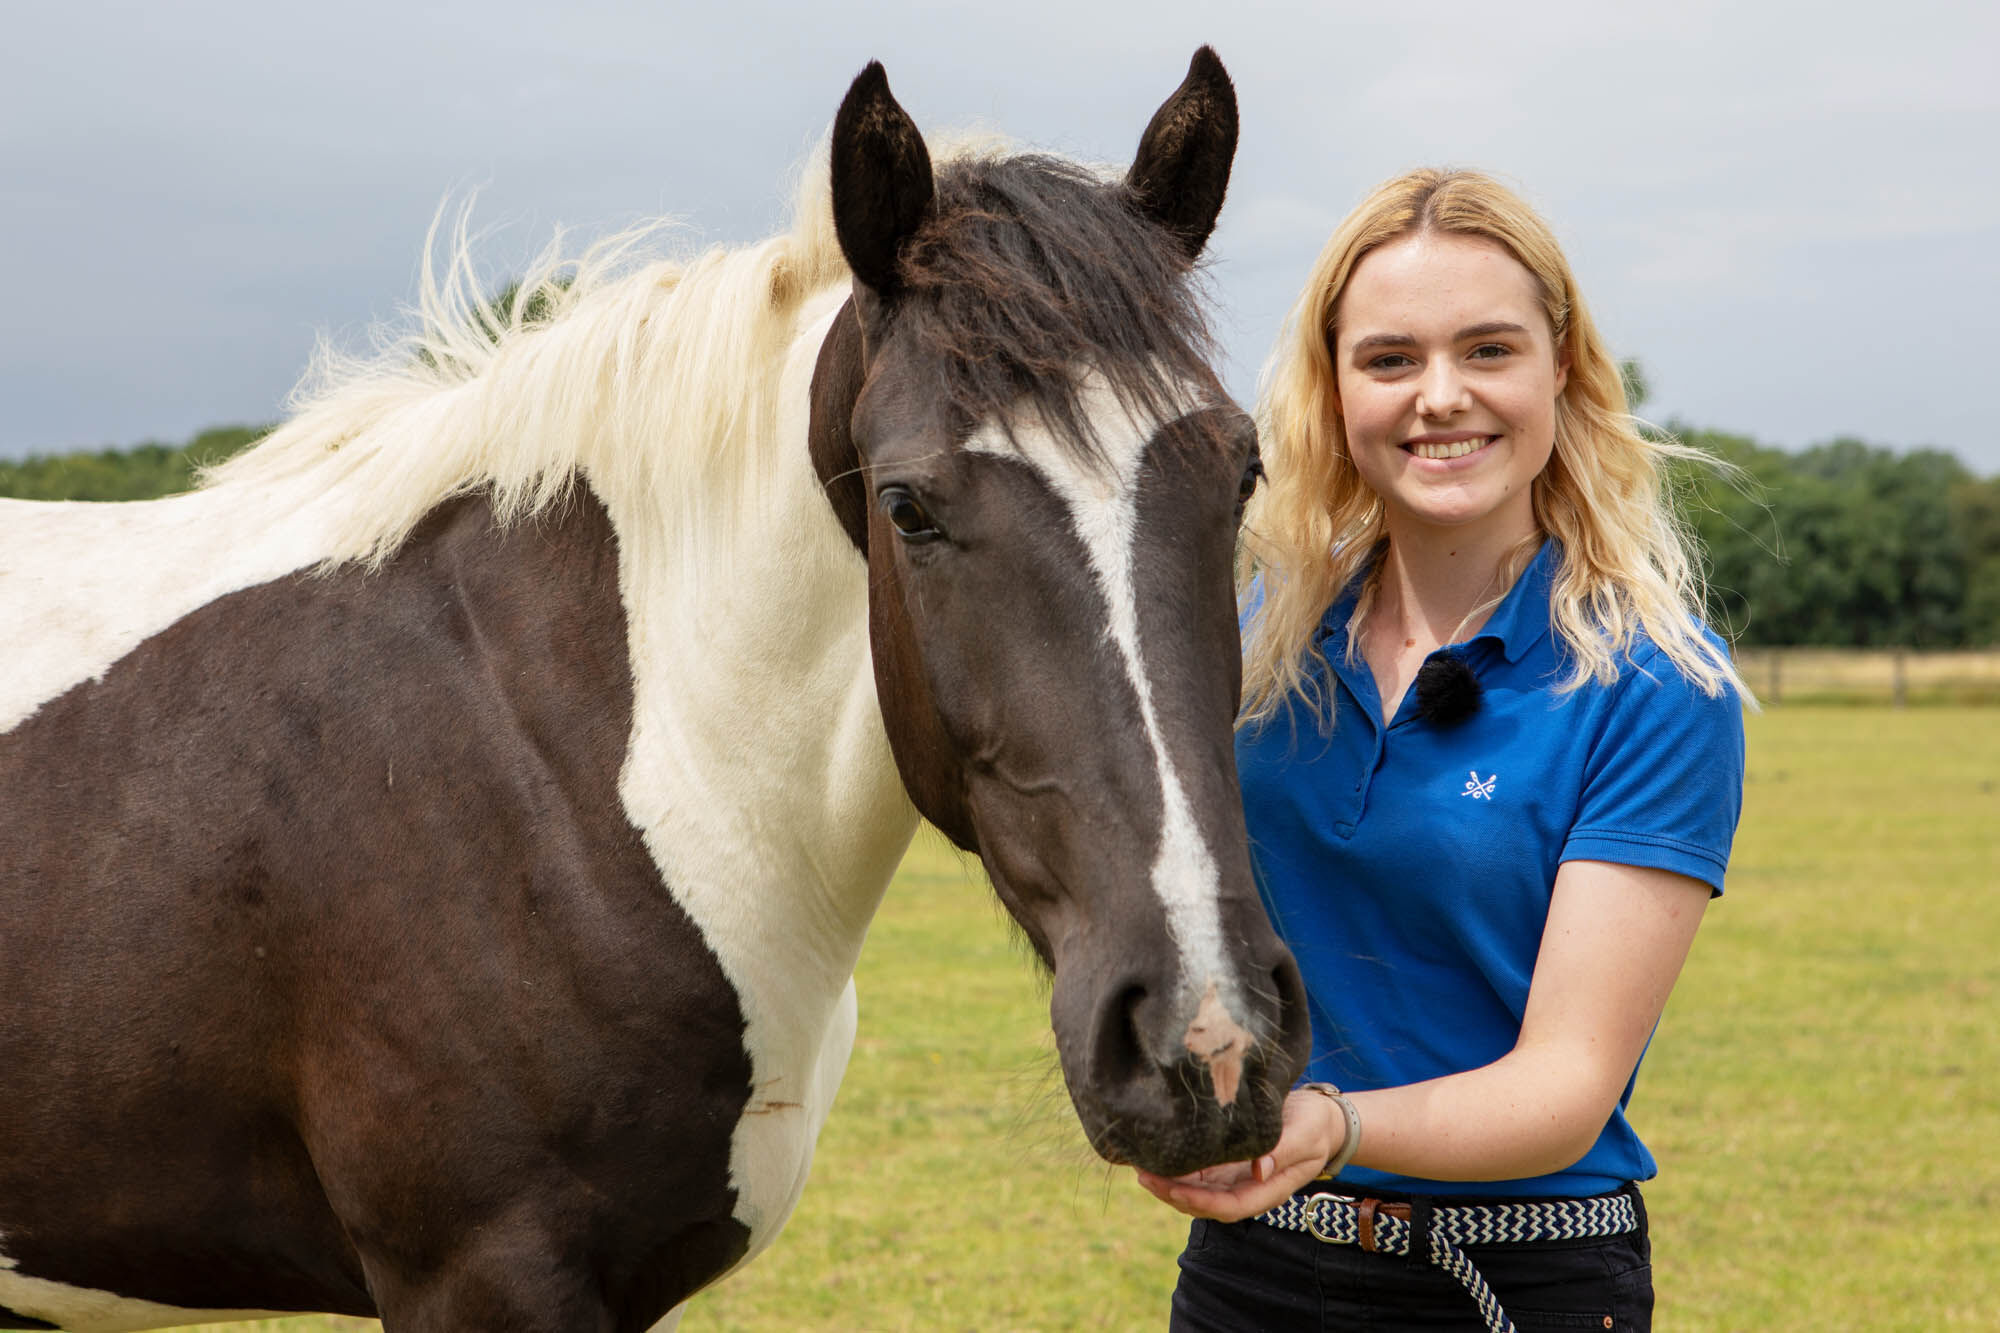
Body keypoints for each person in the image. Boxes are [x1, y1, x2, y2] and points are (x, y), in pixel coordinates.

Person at [1137, 168, 1749, 1333]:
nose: (1438, 397)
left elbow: (1565, 1087)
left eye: (1485, 350)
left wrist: (1335, 1124)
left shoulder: (1654, 680)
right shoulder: (1253, 643)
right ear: (1332, 386)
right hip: (1249, 1267)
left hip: (1511, 1280)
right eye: (1387, 359)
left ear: (1556, 371)